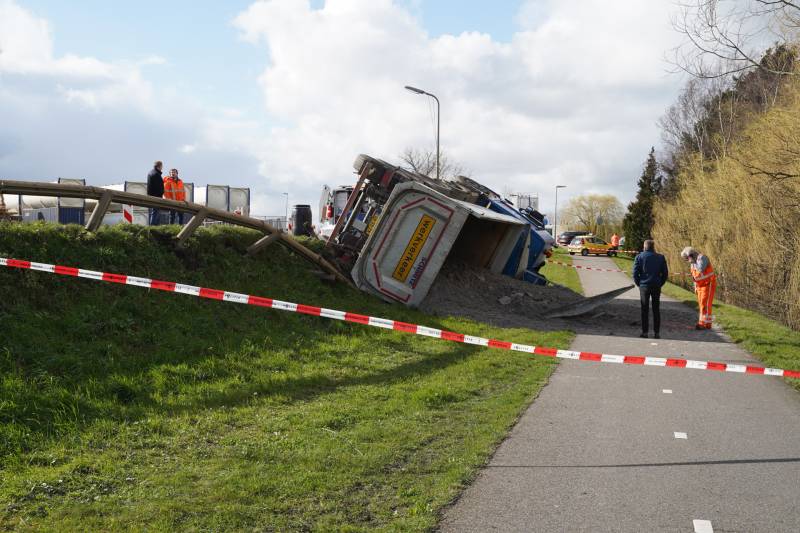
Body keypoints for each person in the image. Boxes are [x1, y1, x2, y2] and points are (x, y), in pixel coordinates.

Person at [633, 239, 668, 338]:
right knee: (656, 309)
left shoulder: (639, 257)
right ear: (653, 247)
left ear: (644, 247)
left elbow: (635, 273)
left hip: (644, 285)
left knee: (644, 309)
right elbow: (665, 274)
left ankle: (645, 332)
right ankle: (657, 333)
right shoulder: (660, 257)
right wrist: (660, 283)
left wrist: (639, 283)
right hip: (656, 285)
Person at [681, 246, 717, 330]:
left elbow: (701, 269)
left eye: (686, 258)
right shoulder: (692, 263)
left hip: (708, 284)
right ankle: (707, 323)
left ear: (690, 255)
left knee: (705, 304)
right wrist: (695, 287)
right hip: (700, 286)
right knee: (702, 305)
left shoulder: (702, 258)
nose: (687, 261)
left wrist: (693, 261)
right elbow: (694, 276)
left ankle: (703, 324)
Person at [146, 160, 164, 225]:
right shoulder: (156, 174)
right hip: (156, 196)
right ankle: (153, 227)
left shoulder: (151, 172)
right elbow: (158, 187)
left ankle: (154, 226)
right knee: (155, 212)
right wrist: (160, 194)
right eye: (162, 166)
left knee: (155, 212)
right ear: (160, 166)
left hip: (152, 195)